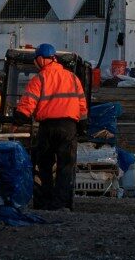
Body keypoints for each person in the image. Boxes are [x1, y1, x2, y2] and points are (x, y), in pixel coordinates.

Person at [14, 44, 88, 210]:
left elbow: (29, 101)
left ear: (41, 59)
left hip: (47, 127)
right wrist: (83, 124)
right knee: (65, 167)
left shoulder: (40, 78)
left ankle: (44, 202)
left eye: (36, 60)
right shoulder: (73, 78)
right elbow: (82, 103)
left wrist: (20, 116)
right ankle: (62, 204)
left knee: (43, 165)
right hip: (69, 127)